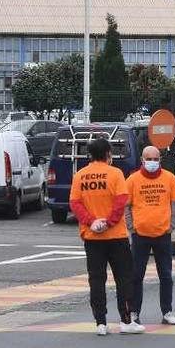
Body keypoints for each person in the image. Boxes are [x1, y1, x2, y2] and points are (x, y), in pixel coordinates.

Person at [69, 137, 145, 336]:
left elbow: (75, 204)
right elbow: (121, 202)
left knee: (96, 280)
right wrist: (108, 222)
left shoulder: (80, 176)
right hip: (116, 236)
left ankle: (100, 323)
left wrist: (91, 222)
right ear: (108, 154)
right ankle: (126, 321)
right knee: (124, 279)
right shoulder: (115, 174)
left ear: (90, 155)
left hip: (92, 237)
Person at [126, 145, 175, 326]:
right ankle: (134, 312)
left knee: (166, 275)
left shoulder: (169, 178)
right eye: (148, 159)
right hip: (140, 235)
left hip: (163, 234)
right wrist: (131, 227)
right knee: (136, 276)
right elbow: (126, 206)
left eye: (155, 159)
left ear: (160, 160)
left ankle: (167, 311)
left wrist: (172, 225)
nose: (152, 162)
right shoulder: (133, 180)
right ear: (142, 160)